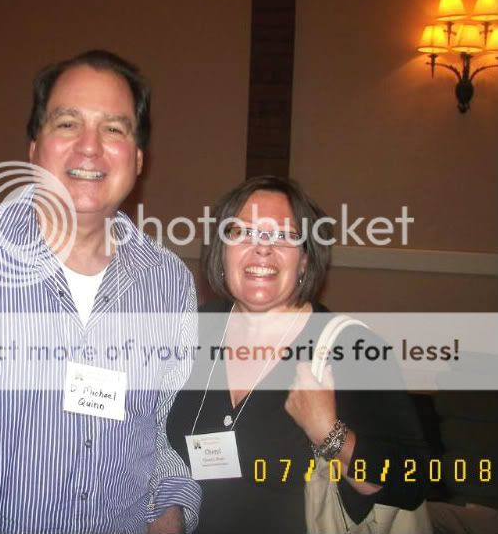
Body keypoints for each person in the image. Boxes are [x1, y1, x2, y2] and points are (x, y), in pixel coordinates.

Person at [0, 50, 200, 533]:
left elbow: (162, 435)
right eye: (67, 123)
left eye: (114, 129)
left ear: (138, 159)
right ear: (34, 149)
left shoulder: (169, 283)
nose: (89, 147)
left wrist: (170, 511)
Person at [167, 175, 429, 534]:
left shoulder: (350, 347)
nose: (262, 248)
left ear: (305, 260)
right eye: (243, 232)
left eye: (283, 236)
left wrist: (330, 434)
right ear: (221, 251)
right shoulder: (189, 330)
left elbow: (411, 481)